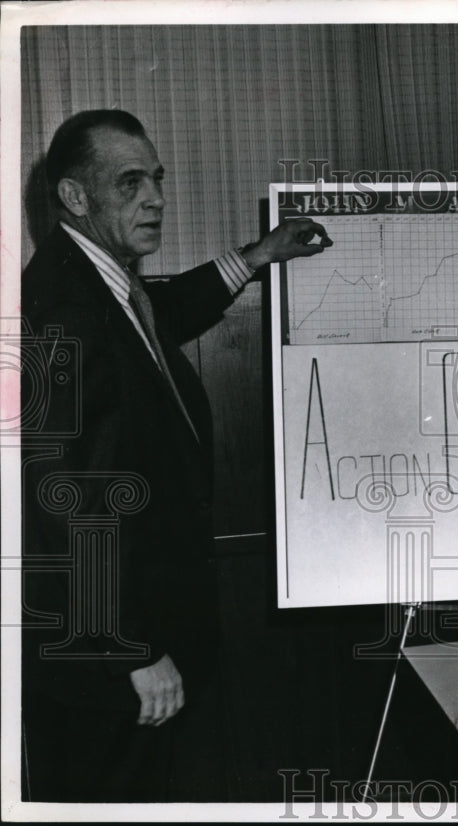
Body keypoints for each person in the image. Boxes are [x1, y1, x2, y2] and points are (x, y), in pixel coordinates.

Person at [20, 109, 332, 802]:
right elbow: (67, 498)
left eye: (156, 180)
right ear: (75, 197)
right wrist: (133, 648)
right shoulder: (65, 307)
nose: (156, 198)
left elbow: (155, 320)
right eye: (130, 183)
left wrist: (255, 257)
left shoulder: (95, 282)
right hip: (108, 660)